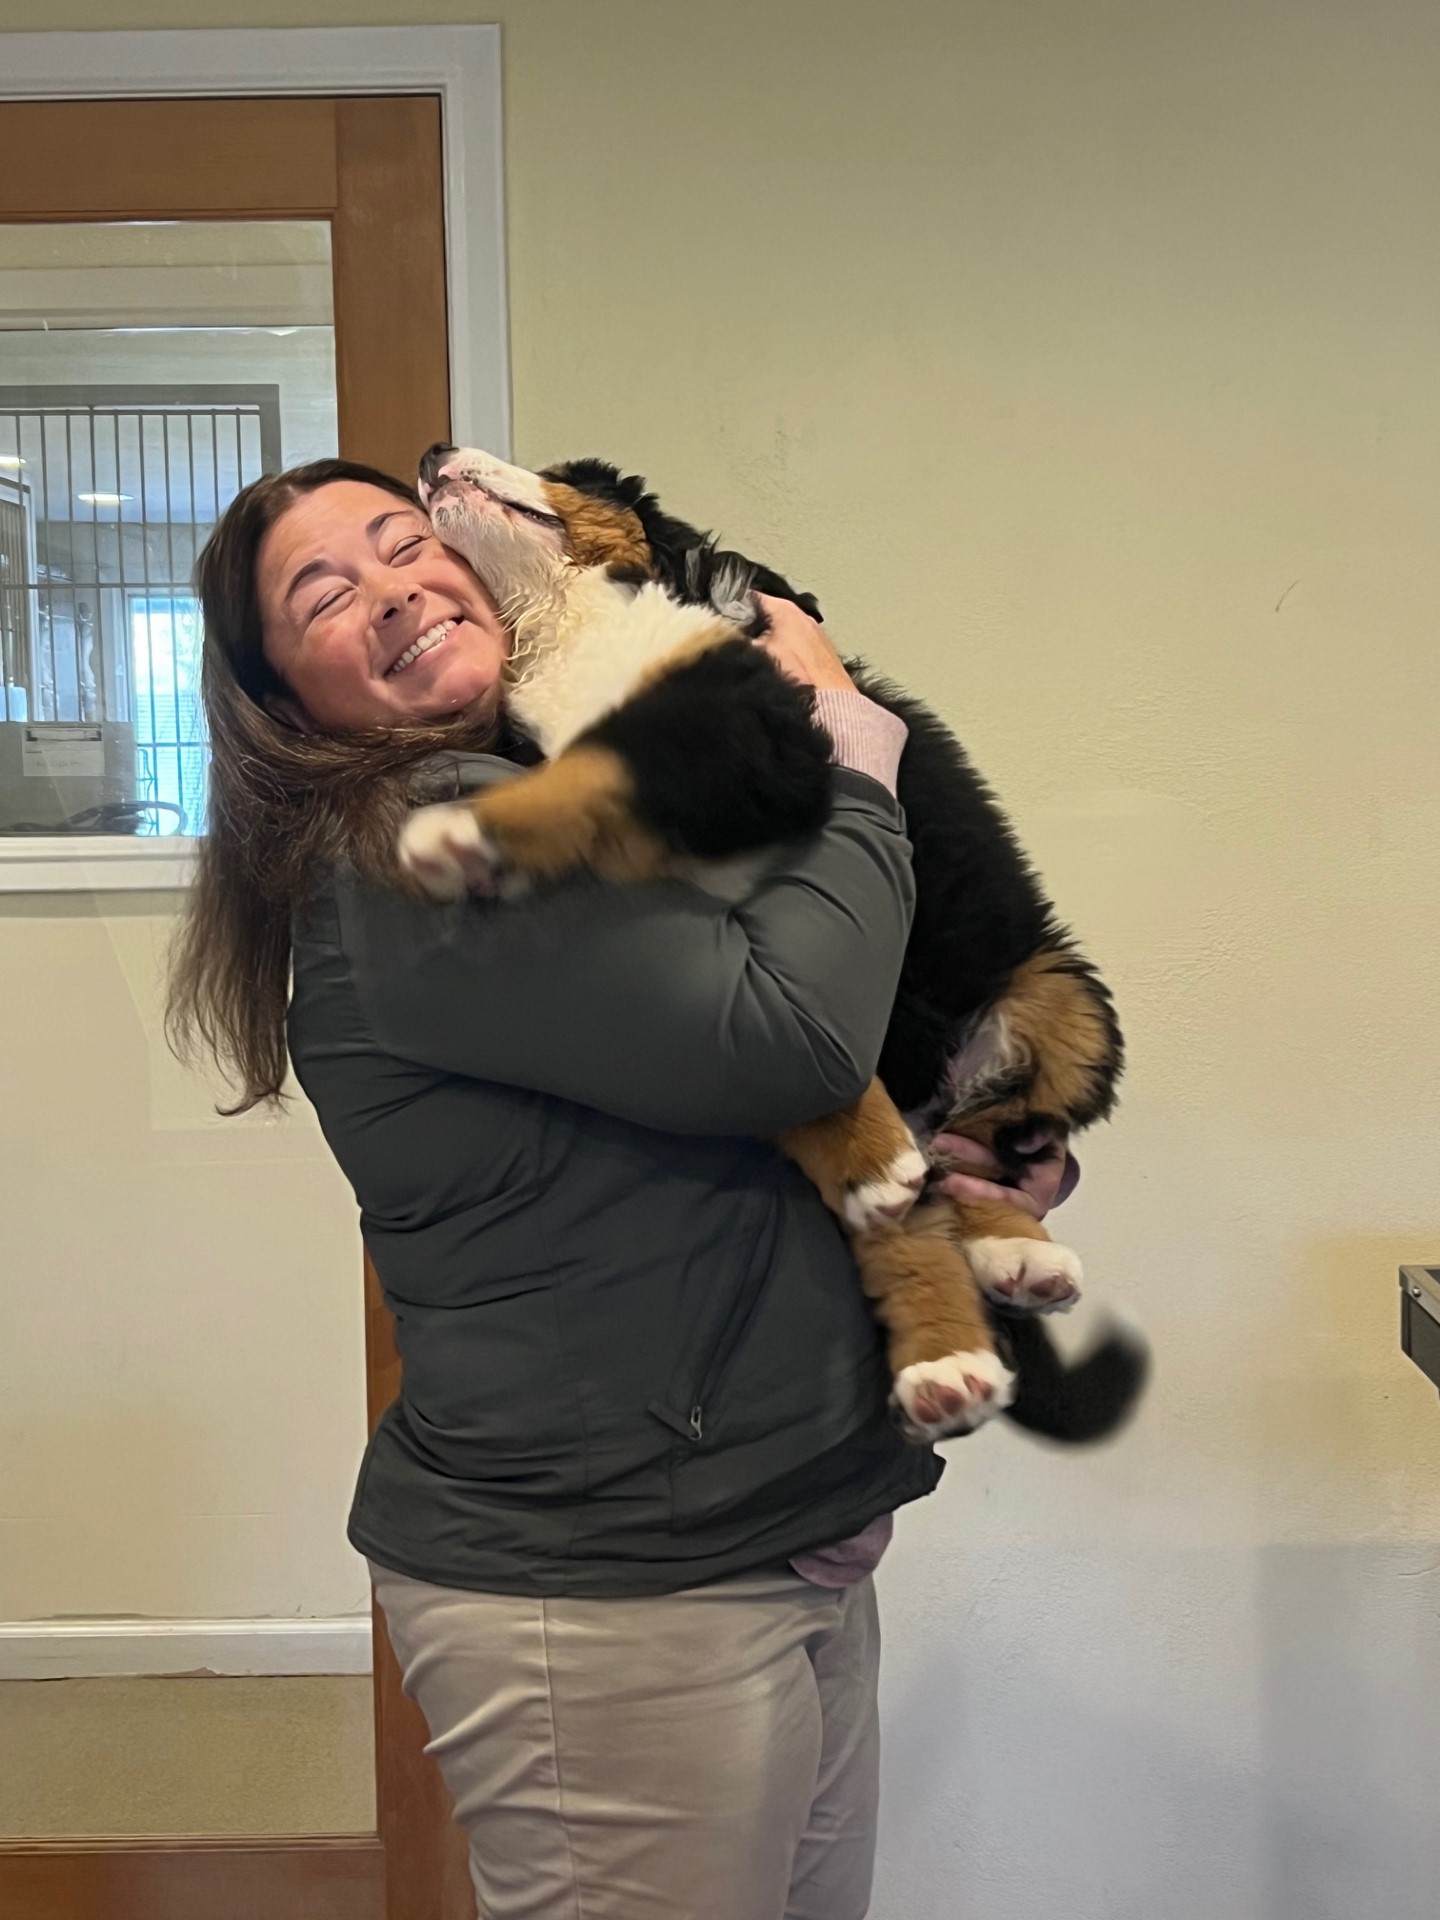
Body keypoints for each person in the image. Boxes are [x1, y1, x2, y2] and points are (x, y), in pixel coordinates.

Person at [168, 456, 1071, 1920]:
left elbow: (745, 1086)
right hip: (606, 1585)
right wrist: (838, 727)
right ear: (279, 701)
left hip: (760, 1527)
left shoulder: (552, 782)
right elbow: (787, 1042)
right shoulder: (426, 850)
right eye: (324, 592)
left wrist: (940, 1141)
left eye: (407, 542)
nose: (392, 583)